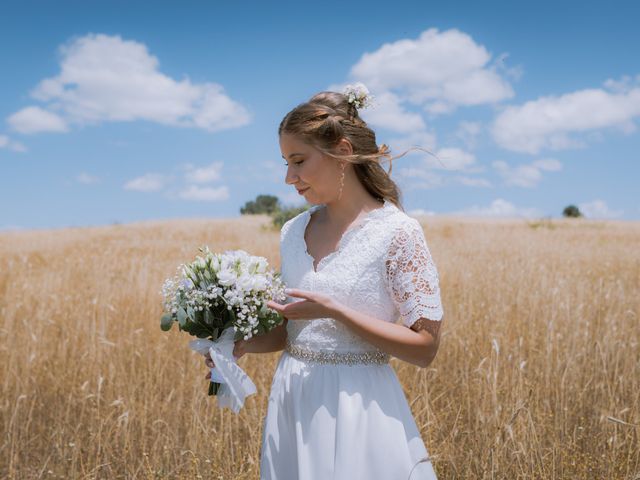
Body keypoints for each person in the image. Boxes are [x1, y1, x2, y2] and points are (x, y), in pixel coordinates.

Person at [205, 88, 444, 479]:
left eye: (298, 161)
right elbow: (290, 331)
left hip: (359, 407)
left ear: (343, 151)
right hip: (293, 400)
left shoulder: (398, 233)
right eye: (285, 162)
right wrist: (239, 346)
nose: (288, 177)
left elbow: (425, 349)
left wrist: (336, 311)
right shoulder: (293, 231)